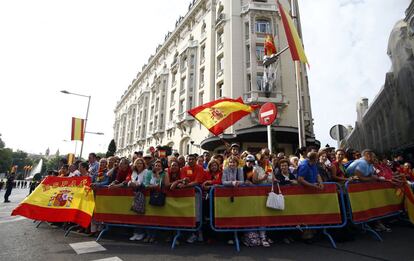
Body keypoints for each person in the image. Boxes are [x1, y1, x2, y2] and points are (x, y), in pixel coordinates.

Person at [143, 160, 167, 243]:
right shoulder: (149, 173)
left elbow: (160, 185)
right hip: (148, 197)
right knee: (147, 218)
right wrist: (154, 186)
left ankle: (154, 236)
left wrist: (157, 175)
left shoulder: (164, 174)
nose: (157, 167)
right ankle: (148, 234)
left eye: (159, 166)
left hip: (158, 197)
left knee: (156, 218)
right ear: (153, 166)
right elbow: (146, 185)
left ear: (162, 167)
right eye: (156, 165)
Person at [128, 158, 148, 241]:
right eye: (137, 163)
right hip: (134, 194)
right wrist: (130, 183)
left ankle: (141, 233)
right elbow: (132, 180)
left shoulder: (146, 172)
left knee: (140, 214)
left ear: (143, 164)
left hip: (142, 194)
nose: (139, 165)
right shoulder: (134, 172)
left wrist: (135, 184)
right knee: (134, 214)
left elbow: (145, 183)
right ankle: (136, 233)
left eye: (141, 163)